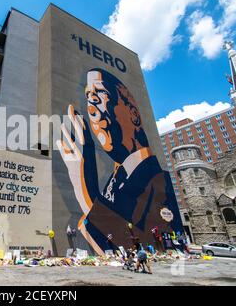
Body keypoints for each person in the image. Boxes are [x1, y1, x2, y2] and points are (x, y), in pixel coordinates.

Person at [57, 68, 182, 255]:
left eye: (100, 94)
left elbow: (134, 249)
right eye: (88, 97)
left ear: (133, 114)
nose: (91, 107)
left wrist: (85, 191)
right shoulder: (114, 180)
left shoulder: (159, 183)